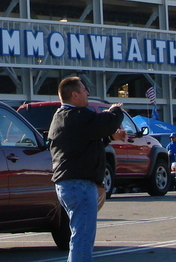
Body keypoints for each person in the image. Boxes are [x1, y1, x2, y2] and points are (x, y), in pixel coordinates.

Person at [48, 77, 124, 262]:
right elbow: (106, 122)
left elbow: (85, 143)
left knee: (80, 235)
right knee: (82, 238)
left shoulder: (64, 118)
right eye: (84, 90)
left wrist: (108, 138)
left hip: (71, 185)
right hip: (78, 185)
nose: (87, 93)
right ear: (74, 95)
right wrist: (116, 110)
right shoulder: (76, 116)